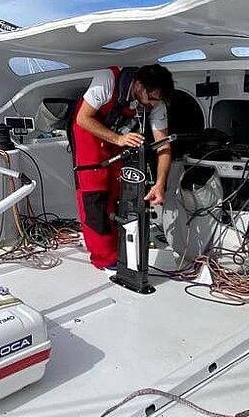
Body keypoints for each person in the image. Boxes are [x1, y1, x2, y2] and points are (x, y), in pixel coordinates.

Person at [71, 64, 174, 270]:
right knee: (95, 196)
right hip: (89, 133)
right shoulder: (107, 80)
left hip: (119, 136)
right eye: (151, 98)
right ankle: (104, 258)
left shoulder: (156, 104)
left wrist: (160, 184)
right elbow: (83, 118)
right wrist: (118, 139)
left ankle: (123, 248)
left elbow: (164, 146)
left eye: (157, 100)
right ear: (138, 85)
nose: (154, 104)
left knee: (122, 191)